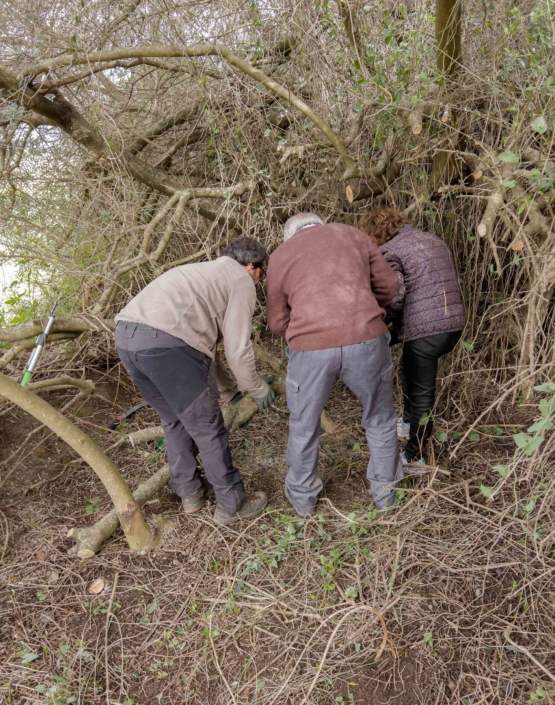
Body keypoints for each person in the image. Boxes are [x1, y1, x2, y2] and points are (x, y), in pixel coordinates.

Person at [114, 238, 275, 526]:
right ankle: (231, 504)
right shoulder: (240, 280)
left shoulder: (199, 273)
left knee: (174, 419)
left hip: (127, 339)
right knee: (207, 427)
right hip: (168, 345)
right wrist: (257, 387)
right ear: (252, 266)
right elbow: (237, 350)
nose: (260, 281)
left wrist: (229, 390)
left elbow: (204, 348)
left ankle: (190, 494)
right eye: (262, 273)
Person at [266, 213, 403, 516]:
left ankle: (303, 502)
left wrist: (302, 324)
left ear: (291, 235)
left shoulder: (280, 255)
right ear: (320, 223)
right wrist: (365, 312)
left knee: (304, 425)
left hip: (309, 347)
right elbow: (390, 288)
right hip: (366, 338)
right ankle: (386, 496)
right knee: (379, 418)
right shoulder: (354, 235)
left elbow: (276, 323)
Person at [358, 208, 465, 464]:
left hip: (426, 331)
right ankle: (407, 424)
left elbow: (395, 295)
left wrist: (382, 324)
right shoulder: (432, 239)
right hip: (453, 324)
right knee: (409, 369)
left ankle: (415, 456)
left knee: (421, 395)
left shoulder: (390, 251)